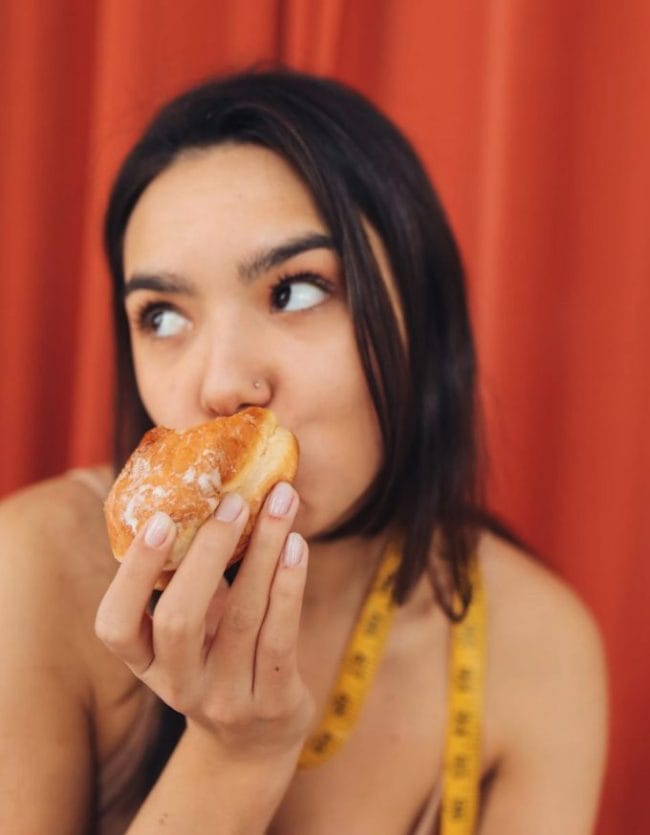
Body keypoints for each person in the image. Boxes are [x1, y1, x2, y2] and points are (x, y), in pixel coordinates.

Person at [0, 67, 607, 834]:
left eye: (295, 290)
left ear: (422, 310)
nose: (220, 383)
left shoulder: (536, 648)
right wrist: (234, 758)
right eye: (160, 315)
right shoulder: (36, 572)